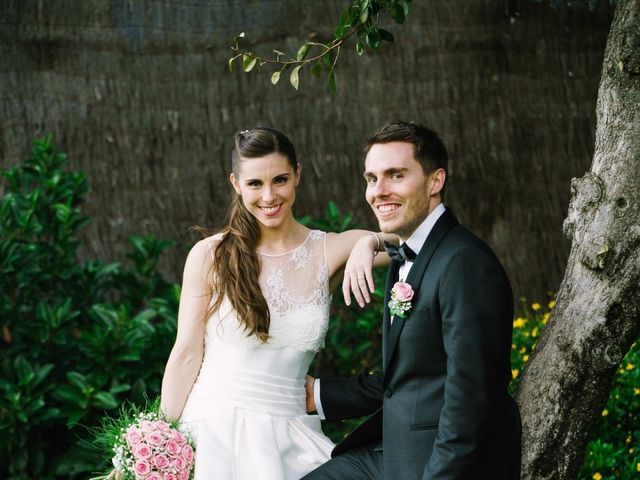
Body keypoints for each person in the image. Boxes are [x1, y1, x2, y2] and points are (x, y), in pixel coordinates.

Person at [158, 127, 396, 480]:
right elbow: (186, 354)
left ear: (297, 174)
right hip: (211, 432)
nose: (269, 196)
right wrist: (159, 439)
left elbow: (413, 242)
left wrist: (370, 243)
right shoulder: (210, 255)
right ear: (236, 184)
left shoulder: (328, 250)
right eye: (255, 184)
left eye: (280, 180)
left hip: (291, 440)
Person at [304, 121, 522, 480]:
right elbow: (409, 378)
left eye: (395, 175)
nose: (379, 191)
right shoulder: (407, 254)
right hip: (389, 451)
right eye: (371, 179)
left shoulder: (463, 263)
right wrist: (320, 395)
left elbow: (471, 399)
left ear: (435, 181)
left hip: (435, 462)